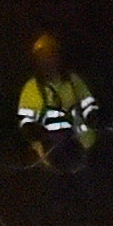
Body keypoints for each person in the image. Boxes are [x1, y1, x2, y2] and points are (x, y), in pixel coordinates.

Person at [16, 33, 98, 174]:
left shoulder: (73, 81)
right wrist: (32, 130)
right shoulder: (31, 88)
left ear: (58, 57)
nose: (48, 60)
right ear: (37, 60)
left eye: (51, 55)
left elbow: (88, 103)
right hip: (50, 158)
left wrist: (94, 115)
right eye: (43, 57)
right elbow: (25, 119)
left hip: (82, 152)